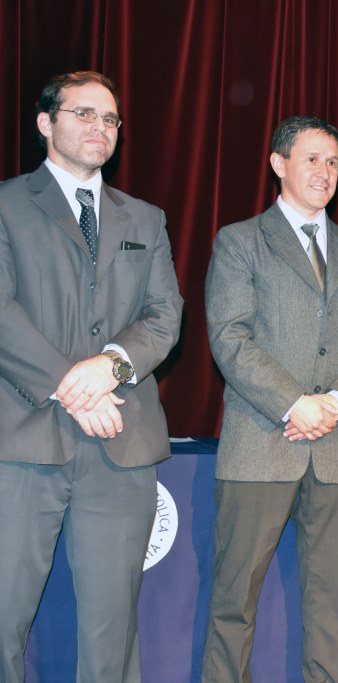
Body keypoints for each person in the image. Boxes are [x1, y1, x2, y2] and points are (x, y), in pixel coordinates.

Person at [0, 70, 184, 682]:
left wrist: (109, 366)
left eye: (109, 119)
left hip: (121, 445)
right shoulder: (5, 205)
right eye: (83, 114)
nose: (99, 128)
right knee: (4, 615)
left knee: (112, 630)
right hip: (22, 441)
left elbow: (165, 315)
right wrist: (71, 387)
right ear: (45, 123)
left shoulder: (146, 219)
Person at [202, 115, 338, 682]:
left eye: (333, 161)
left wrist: (334, 403)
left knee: (330, 606)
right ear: (278, 164)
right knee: (235, 600)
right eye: (311, 158)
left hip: (335, 449)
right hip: (261, 442)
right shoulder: (240, 241)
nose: (324, 172)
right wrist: (295, 403)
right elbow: (230, 337)